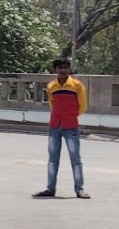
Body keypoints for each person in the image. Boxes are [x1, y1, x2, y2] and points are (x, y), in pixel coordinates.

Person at [34, 55, 90, 199]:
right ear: (55, 70)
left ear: (69, 69)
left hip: (70, 125)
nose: (63, 70)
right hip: (54, 126)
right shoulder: (51, 86)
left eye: (65, 68)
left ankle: (79, 189)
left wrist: (70, 115)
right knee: (53, 159)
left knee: (75, 159)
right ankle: (50, 188)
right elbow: (52, 104)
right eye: (60, 68)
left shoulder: (77, 85)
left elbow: (82, 106)